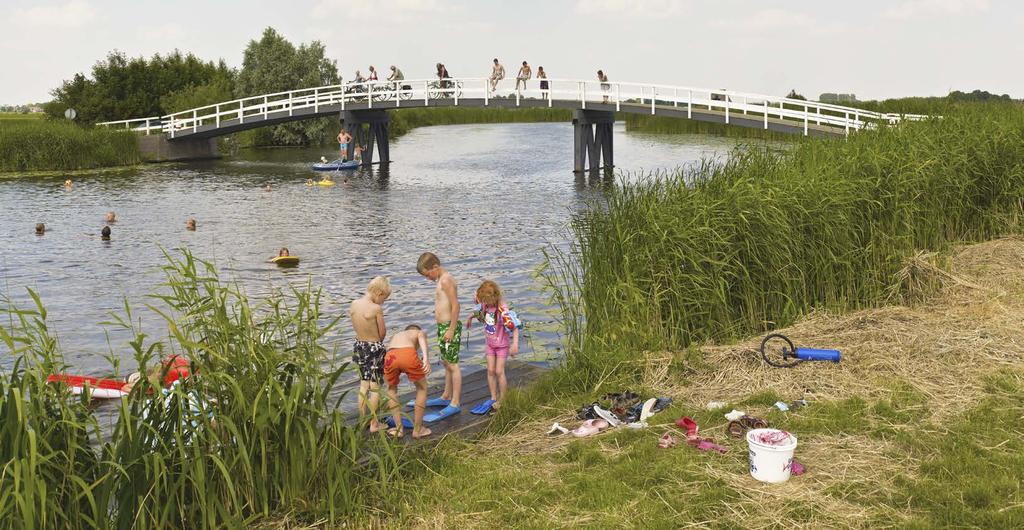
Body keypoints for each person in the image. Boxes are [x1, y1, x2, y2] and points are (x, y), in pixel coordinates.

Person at [416, 252, 462, 421]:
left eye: (428, 274)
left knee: (453, 364)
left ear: (435, 267)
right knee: (445, 361)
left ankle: (455, 402)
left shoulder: (446, 280)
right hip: (443, 327)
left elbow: (456, 306)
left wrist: (451, 329)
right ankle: (445, 396)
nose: (428, 278)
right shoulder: (440, 280)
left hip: (450, 328)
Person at [465, 280, 520, 413]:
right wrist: (470, 317)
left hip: (502, 346)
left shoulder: (503, 311)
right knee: (490, 371)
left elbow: (515, 327)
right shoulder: (485, 306)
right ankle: (493, 397)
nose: (484, 302)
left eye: (486, 300)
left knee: (499, 371)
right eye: (483, 300)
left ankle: (503, 398)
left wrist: (515, 344)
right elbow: (479, 312)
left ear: (494, 297)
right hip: (490, 344)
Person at [349, 276, 392, 433]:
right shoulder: (375, 309)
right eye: (384, 299)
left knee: (363, 384)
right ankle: (374, 424)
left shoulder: (354, 304)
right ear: (379, 293)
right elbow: (382, 332)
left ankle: (363, 420)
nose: (382, 302)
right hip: (374, 348)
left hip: (359, 346)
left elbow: (355, 326)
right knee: (375, 386)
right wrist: (378, 344)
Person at [383, 324, 432, 438]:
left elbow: (390, 349)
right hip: (407, 355)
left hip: (390, 355)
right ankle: (417, 430)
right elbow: (421, 335)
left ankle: (399, 429)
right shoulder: (417, 332)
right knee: (422, 388)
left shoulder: (398, 335)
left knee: (391, 390)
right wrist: (426, 359)